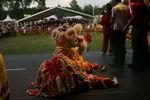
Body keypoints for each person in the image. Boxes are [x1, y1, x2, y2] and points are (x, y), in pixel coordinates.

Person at [26, 24, 119, 98]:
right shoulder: (65, 47)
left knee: (81, 65)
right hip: (68, 64)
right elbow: (76, 67)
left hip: (64, 57)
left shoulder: (62, 43)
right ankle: (109, 82)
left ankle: (97, 69)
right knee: (83, 74)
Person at [124, 0, 150, 68]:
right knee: (143, 45)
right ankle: (144, 61)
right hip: (144, 26)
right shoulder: (144, 5)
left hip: (137, 26)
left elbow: (134, 17)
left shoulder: (135, 5)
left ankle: (136, 63)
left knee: (136, 45)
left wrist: (126, 26)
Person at [110, 0, 131, 66]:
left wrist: (110, 22)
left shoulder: (115, 8)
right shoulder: (127, 8)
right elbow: (129, 18)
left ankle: (117, 61)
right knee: (122, 45)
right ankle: (121, 62)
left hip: (116, 29)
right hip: (124, 29)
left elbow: (112, 20)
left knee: (115, 46)